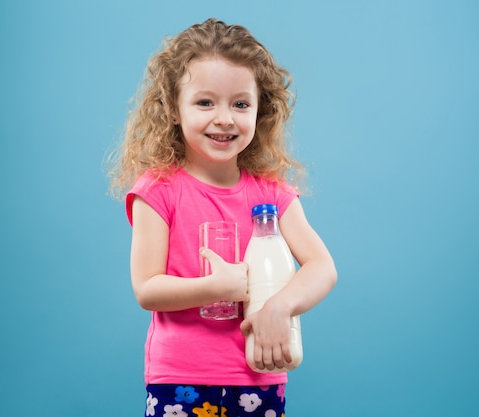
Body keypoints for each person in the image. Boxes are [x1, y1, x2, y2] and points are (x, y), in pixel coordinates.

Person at [108, 18, 337, 417]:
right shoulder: (158, 189)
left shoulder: (272, 192)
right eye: (205, 102)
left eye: (241, 104)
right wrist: (218, 286)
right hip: (180, 380)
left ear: (259, 111)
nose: (225, 118)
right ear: (173, 111)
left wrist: (280, 307)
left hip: (258, 375)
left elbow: (322, 267)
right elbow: (147, 288)